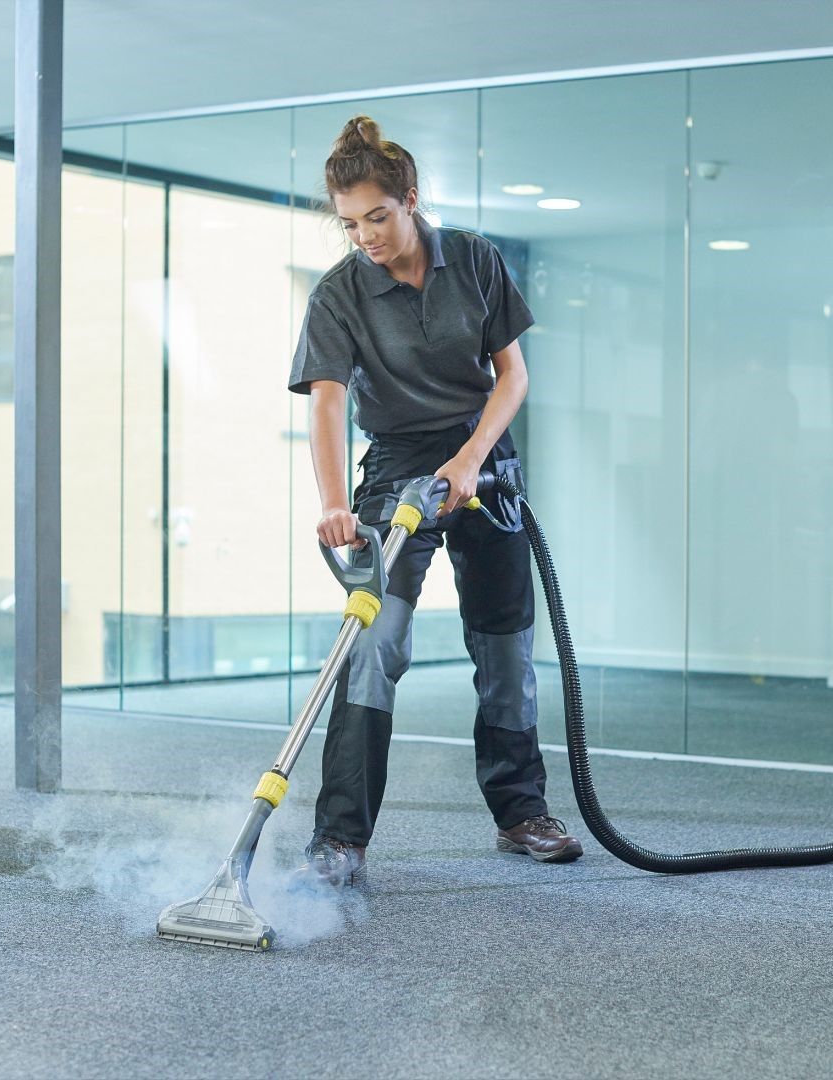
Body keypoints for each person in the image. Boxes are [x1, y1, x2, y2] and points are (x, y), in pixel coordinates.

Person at [287, 115, 583, 886]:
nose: (365, 237)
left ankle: (522, 813)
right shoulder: (339, 293)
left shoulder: (476, 260)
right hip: (394, 466)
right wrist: (332, 505)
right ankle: (340, 837)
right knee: (375, 642)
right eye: (350, 224)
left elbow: (512, 376)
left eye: (377, 217)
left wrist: (470, 460)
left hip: (481, 456)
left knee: (505, 644)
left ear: (410, 200)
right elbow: (324, 403)